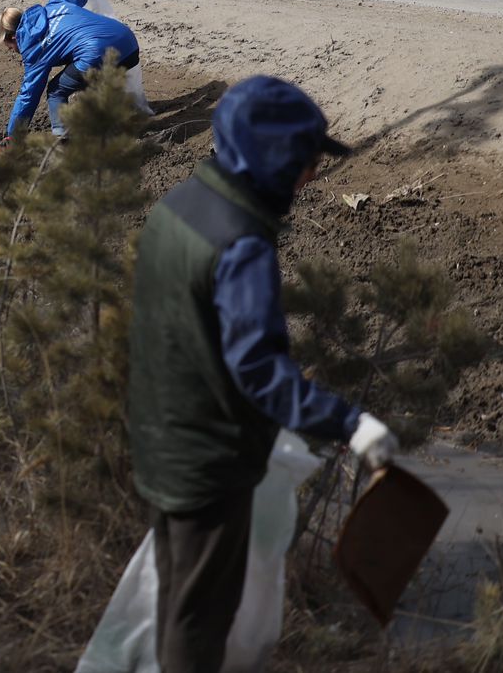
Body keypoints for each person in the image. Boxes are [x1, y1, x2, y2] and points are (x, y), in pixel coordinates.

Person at [128, 75, 397, 673]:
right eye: (304, 161)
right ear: (272, 158)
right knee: (198, 619)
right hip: (208, 460)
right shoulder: (241, 243)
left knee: (176, 595)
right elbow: (258, 370)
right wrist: (350, 424)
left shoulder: (179, 205)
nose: (311, 175)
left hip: (158, 435)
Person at [0, 0, 139, 142]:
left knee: (56, 91)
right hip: (128, 43)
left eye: (10, 48)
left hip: (97, 54)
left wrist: (13, 136)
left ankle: (63, 140)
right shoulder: (56, 4)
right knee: (83, 80)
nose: (14, 52)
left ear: (13, 37)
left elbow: (28, 95)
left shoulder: (32, 49)